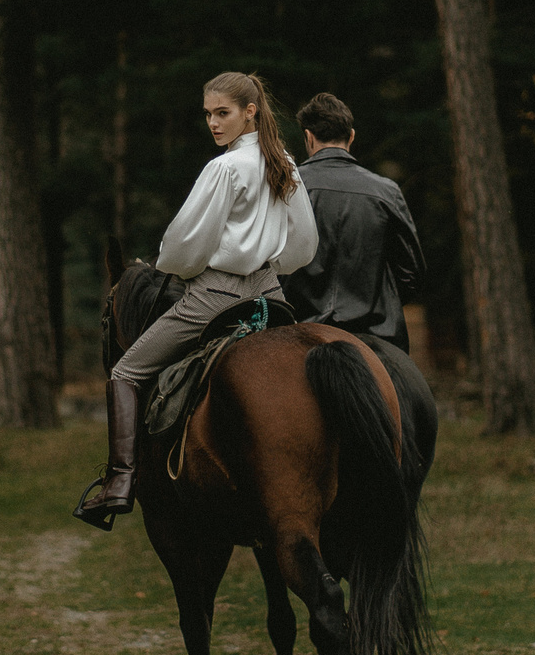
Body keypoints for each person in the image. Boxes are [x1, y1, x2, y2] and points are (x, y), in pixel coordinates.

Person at [74, 70, 319, 530]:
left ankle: (120, 482)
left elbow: (184, 245)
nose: (213, 123)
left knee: (126, 372)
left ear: (250, 112)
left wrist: (179, 269)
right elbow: (304, 243)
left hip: (217, 296)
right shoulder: (284, 161)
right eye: (208, 115)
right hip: (272, 296)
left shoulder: (224, 168)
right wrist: (272, 264)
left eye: (223, 113)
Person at [283, 92, 436, 461]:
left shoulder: (287, 187)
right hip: (375, 333)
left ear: (308, 138)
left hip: (298, 330)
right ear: (351, 136)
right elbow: (412, 274)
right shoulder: (386, 191)